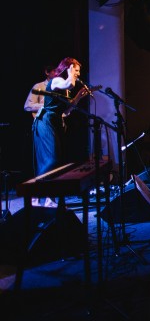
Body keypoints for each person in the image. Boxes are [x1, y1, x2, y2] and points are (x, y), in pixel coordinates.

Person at [32, 57, 90, 208]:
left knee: (55, 159)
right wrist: (71, 75)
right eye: (76, 70)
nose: (78, 74)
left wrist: (78, 97)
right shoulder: (57, 81)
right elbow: (69, 83)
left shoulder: (64, 87)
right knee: (51, 159)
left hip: (55, 122)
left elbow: (67, 110)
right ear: (68, 69)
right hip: (45, 122)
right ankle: (38, 194)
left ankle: (46, 197)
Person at [24, 65, 56, 207]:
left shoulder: (58, 88)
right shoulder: (38, 86)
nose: (57, 73)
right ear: (47, 72)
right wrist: (44, 106)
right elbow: (27, 106)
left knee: (53, 162)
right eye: (54, 71)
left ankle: (49, 197)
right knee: (46, 161)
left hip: (54, 126)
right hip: (42, 125)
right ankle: (35, 195)